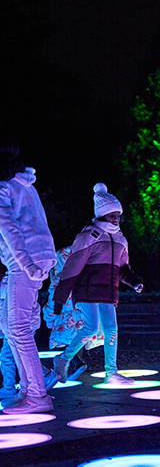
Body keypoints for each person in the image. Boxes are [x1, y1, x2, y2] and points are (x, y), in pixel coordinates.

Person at [53, 183, 143, 385]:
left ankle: (111, 372)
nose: (116, 218)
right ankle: (63, 358)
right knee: (91, 328)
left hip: (109, 293)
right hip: (86, 291)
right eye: (112, 214)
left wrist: (134, 281)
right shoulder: (88, 236)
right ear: (101, 214)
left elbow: (122, 269)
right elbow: (71, 268)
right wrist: (59, 299)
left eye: (117, 214)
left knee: (112, 330)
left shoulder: (121, 239)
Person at [0, 142, 57, 414]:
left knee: (18, 329)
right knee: (12, 328)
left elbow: (9, 228)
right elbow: (39, 221)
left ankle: (36, 394)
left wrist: (25, 263)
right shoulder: (24, 185)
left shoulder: (3, 188)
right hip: (36, 257)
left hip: (24, 261)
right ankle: (28, 390)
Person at [43, 246, 103, 381]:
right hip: (83, 318)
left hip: (65, 319)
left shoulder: (59, 282)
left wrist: (48, 316)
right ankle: (77, 363)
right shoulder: (85, 280)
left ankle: (76, 363)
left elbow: (53, 300)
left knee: (66, 340)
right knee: (78, 340)